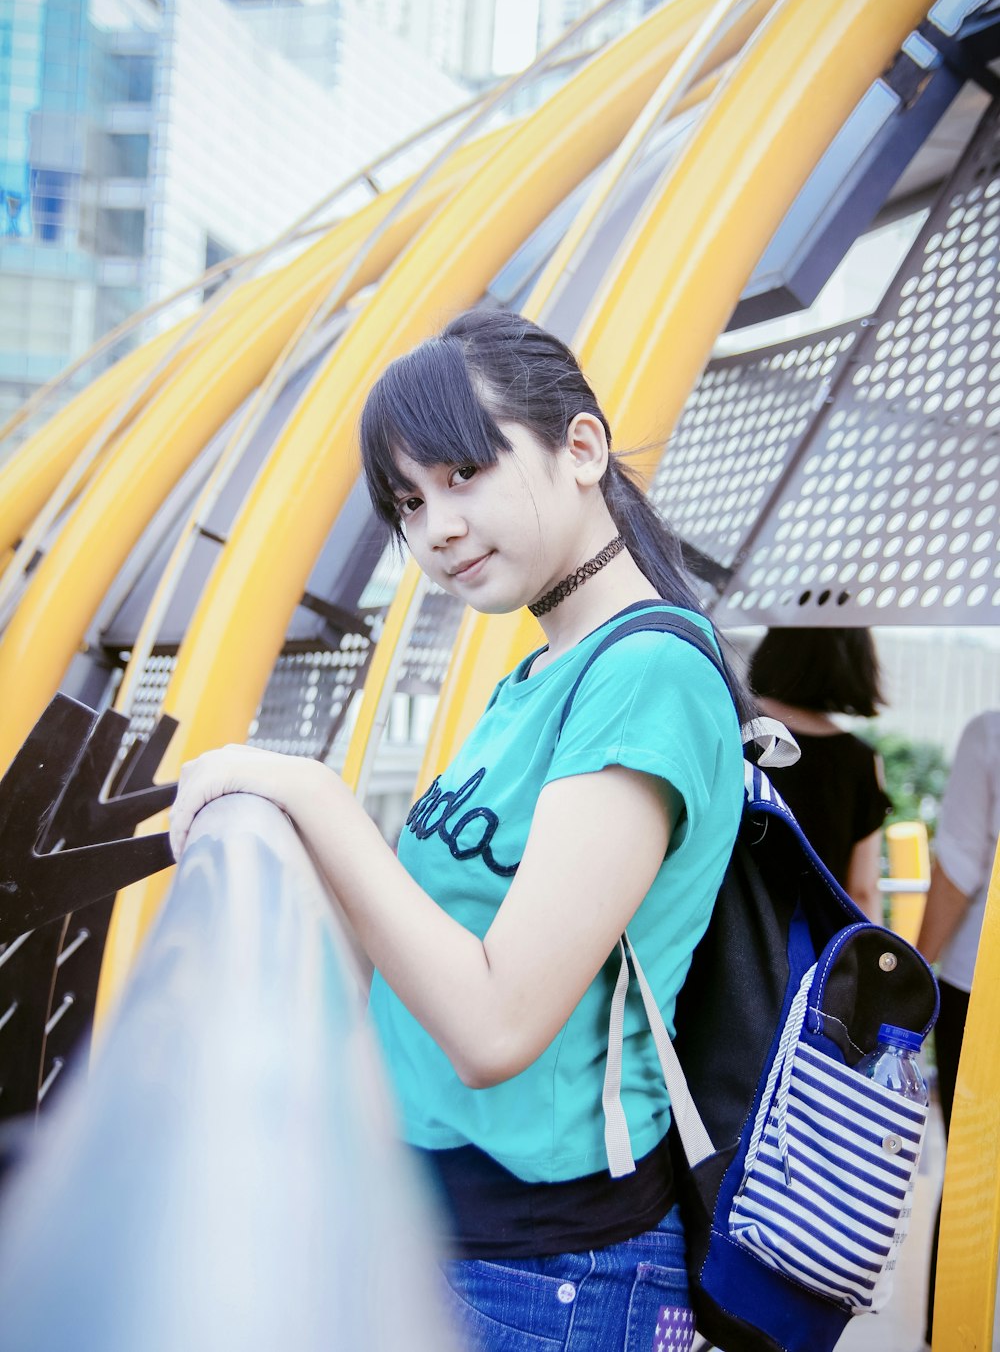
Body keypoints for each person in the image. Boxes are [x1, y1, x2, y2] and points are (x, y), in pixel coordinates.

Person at [169, 308, 749, 1351]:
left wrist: (308, 792)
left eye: (462, 474)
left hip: (553, 1272)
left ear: (581, 448)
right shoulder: (535, 677)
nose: (433, 528)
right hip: (459, 1240)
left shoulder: (647, 676)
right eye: (406, 501)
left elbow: (493, 1025)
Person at [916, 709, 1000, 1349]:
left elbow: (962, 866)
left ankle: (954, 1337)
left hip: (981, 988)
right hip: (977, 985)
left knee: (976, 1173)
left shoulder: (991, 732)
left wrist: (911, 986)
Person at [748, 627, 891, 921]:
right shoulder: (860, 760)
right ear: (854, 660)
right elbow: (862, 889)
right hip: (814, 951)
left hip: (729, 937)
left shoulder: (736, 726)